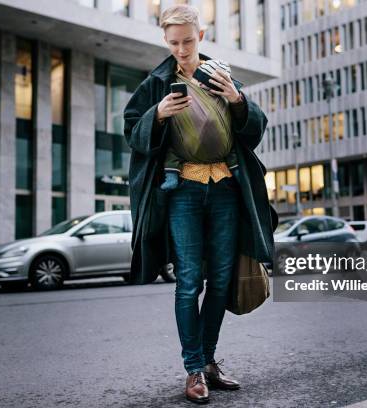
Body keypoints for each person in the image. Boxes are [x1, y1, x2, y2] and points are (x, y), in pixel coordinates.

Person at [124, 4, 277, 404]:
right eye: (173, 43)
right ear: (165, 41)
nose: (181, 49)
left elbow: (256, 130)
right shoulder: (156, 84)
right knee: (189, 280)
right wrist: (157, 115)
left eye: (187, 41)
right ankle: (193, 369)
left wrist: (238, 100)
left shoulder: (221, 75)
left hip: (226, 188)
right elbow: (131, 131)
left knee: (222, 281)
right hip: (183, 192)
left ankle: (208, 362)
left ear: (201, 37)